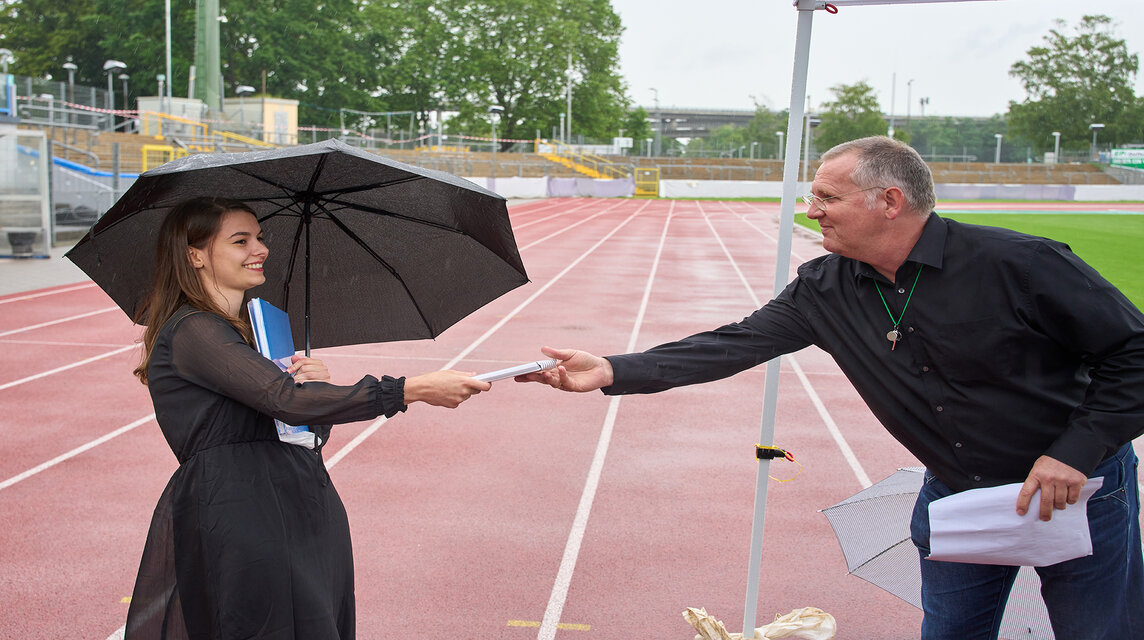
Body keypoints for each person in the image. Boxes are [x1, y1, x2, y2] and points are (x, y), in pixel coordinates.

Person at [517, 136, 1144, 640]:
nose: (810, 210)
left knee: (1097, 631)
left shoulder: (1022, 265)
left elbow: (1134, 351)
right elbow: (733, 344)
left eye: (826, 197)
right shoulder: (825, 287)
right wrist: (612, 370)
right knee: (952, 632)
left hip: (1077, 488)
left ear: (889, 202)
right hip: (958, 496)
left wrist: (1076, 450)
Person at [124, 196, 491, 639]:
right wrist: (410, 390)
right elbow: (283, 402)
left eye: (260, 238)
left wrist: (312, 388)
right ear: (195, 254)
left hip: (298, 504)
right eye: (241, 241)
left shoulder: (254, 336)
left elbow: (300, 430)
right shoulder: (194, 330)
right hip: (241, 511)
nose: (259, 249)